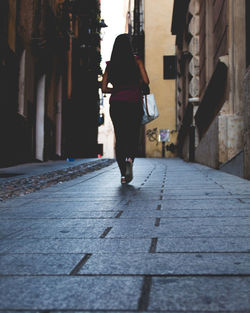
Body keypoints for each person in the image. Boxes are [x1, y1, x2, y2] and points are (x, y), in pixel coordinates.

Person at [102, 33, 150, 184]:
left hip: (117, 104)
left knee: (120, 138)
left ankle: (123, 174)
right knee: (133, 135)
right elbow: (146, 81)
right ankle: (130, 159)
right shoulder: (136, 61)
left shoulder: (110, 65)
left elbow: (103, 88)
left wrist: (116, 90)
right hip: (133, 102)